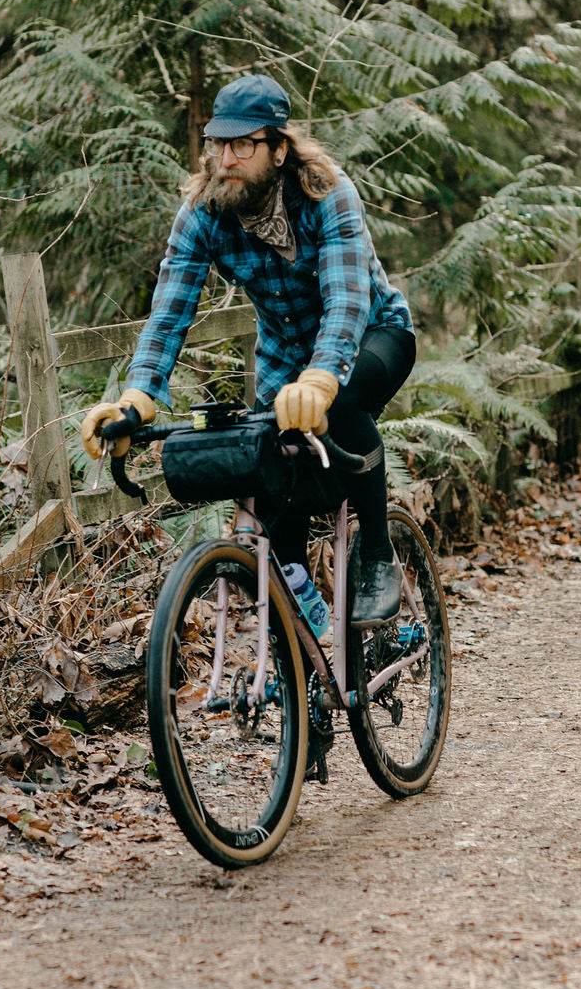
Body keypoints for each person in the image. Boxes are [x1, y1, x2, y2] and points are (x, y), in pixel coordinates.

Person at [81, 73, 416, 626]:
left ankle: (379, 554)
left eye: (243, 144)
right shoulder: (203, 213)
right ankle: (303, 641)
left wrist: (322, 377)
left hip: (373, 336)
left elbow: (347, 299)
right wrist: (137, 397)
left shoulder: (327, 192)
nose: (226, 158)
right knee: (271, 498)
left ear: (279, 149)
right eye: (218, 143)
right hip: (284, 364)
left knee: (343, 403)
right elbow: (169, 313)